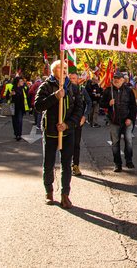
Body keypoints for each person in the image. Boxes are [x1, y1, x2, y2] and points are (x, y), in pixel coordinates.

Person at [34, 60, 83, 209]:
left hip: (67, 132)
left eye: (65, 68)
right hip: (51, 132)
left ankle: (65, 195)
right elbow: (38, 106)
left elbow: (79, 109)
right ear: (53, 71)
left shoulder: (74, 88)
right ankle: (49, 192)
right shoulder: (46, 86)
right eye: (60, 68)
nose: (63, 71)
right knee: (48, 164)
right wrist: (55, 96)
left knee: (66, 165)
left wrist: (67, 124)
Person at [100, 72, 137, 172]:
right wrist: (108, 103)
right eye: (114, 78)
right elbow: (102, 103)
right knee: (115, 143)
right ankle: (118, 163)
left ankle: (129, 160)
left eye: (118, 78)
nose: (116, 80)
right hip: (114, 121)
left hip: (127, 121)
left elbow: (133, 107)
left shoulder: (129, 91)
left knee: (128, 141)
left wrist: (130, 118)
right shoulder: (108, 91)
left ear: (123, 80)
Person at [69, 72, 92, 176]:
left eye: (74, 78)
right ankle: (66, 165)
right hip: (66, 121)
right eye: (70, 78)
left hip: (78, 121)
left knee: (76, 144)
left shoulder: (82, 90)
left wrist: (85, 116)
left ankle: (75, 165)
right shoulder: (64, 89)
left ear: (78, 80)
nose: (72, 80)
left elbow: (89, 103)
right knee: (66, 144)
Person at [9, 77, 29, 141]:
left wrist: (30, 106)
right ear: (17, 82)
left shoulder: (24, 89)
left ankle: (19, 135)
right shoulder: (12, 88)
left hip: (21, 107)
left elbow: (27, 97)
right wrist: (10, 94)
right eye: (21, 81)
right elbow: (7, 96)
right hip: (13, 107)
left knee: (19, 121)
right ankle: (16, 133)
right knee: (14, 121)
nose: (22, 82)